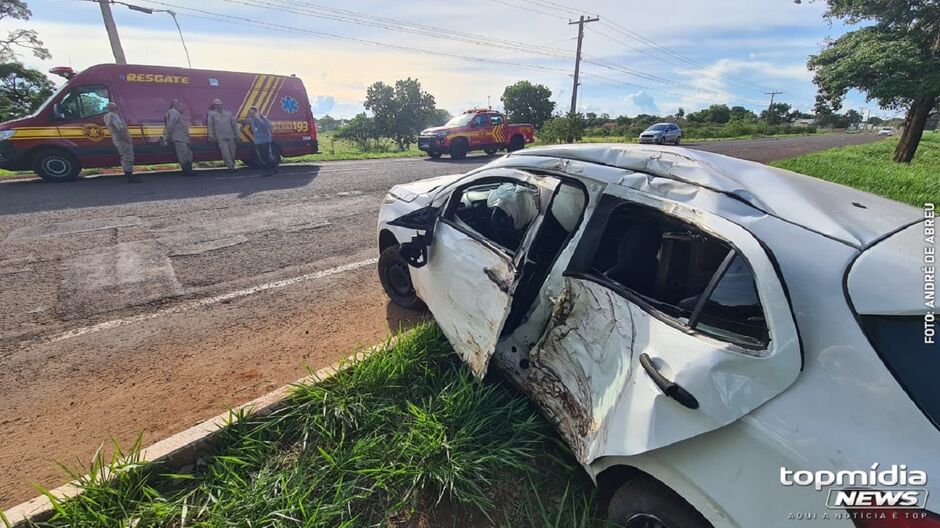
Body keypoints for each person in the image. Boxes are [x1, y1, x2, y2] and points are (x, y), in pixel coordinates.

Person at [103, 102, 141, 183]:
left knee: (123, 156)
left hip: (115, 138)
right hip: (121, 138)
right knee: (128, 157)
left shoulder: (106, 116)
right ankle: (130, 177)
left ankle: (128, 175)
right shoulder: (114, 116)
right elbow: (120, 128)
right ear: (114, 108)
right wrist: (127, 138)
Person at [240, 106, 277, 175]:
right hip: (258, 141)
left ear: (256, 112)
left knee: (266, 156)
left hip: (265, 140)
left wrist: (258, 118)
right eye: (250, 112)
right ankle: (274, 168)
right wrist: (240, 121)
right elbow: (247, 121)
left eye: (252, 112)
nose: (250, 113)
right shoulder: (252, 119)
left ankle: (269, 170)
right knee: (263, 156)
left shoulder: (263, 118)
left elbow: (268, 126)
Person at [162, 99, 195, 176]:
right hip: (179, 138)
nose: (181, 107)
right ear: (175, 105)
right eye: (180, 105)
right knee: (183, 155)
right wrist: (167, 137)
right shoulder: (174, 113)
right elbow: (170, 125)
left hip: (182, 138)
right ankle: (187, 171)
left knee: (188, 154)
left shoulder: (176, 113)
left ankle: (188, 170)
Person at [207, 98, 239, 172]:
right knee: (225, 153)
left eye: (219, 104)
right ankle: (230, 167)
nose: (218, 106)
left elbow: (234, 124)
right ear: (214, 105)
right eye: (216, 104)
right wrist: (211, 136)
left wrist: (237, 134)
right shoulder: (211, 114)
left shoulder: (228, 113)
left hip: (230, 135)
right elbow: (210, 125)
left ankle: (233, 164)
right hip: (220, 137)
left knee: (232, 152)